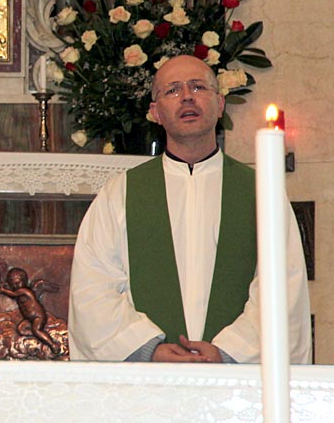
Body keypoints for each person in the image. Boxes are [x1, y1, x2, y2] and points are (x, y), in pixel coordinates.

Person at [68, 55, 311, 363]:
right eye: (172, 90)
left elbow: (283, 284)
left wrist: (229, 351)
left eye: (198, 87)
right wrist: (149, 349)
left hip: (235, 379)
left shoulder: (261, 191)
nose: (186, 97)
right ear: (155, 113)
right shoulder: (121, 193)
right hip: (149, 378)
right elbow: (92, 288)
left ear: (220, 104)